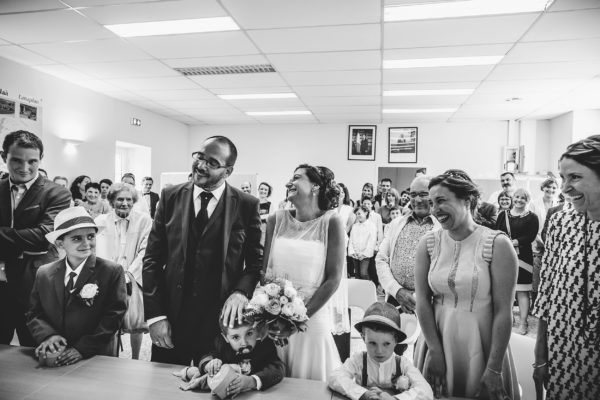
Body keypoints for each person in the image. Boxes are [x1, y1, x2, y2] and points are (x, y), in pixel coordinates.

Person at [142, 136, 262, 366]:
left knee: (213, 386)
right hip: (172, 316)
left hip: (219, 320)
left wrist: (240, 292)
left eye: (212, 162)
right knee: (163, 387)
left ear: (228, 171)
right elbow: (152, 260)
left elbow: (255, 263)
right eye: (199, 156)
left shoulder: (246, 204)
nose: (201, 165)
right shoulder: (170, 197)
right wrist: (156, 316)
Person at [414, 172, 520, 400]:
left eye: (441, 201)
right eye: (431, 203)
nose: (434, 210)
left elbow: (504, 312)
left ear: (467, 200)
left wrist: (493, 367)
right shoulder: (428, 243)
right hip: (436, 340)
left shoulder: (498, 244)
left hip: (482, 344)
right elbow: (422, 300)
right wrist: (434, 350)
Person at [532, 135, 600, 400]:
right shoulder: (561, 223)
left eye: (575, 177)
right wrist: (540, 357)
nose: (565, 188)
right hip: (563, 354)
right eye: (562, 178)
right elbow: (546, 296)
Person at [263, 164, 345, 381]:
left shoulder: (331, 221)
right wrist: (269, 316)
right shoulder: (276, 219)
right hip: (274, 319)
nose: (289, 182)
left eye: (297, 178)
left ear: (315, 186)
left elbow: (333, 279)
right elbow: (264, 272)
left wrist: (297, 319)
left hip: (311, 319)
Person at [26, 207, 127, 364]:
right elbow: (34, 312)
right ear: (60, 243)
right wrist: (48, 335)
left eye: (91, 236)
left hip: (97, 354)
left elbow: (114, 315)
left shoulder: (111, 271)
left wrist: (83, 348)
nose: (86, 243)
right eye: (77, 238)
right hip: (58, 352)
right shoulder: (44, 273)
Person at [0, 130, 71, 346]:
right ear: (4, 157)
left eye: (32, 161)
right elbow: (31, 237)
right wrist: (22, 240)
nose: (24, 167)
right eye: (16, 160)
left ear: (41, 159)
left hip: (34, 284)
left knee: (34, 350)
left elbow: (43, 236)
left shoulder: (57, 193)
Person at [329, 302, 433, 400]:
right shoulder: (358, 360)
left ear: (396, 340)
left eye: (386, 344)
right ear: (363, 337)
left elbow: (426, 391)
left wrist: (395, 399)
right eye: (372, 343)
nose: (379, 351)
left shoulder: (402, 364)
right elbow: (335, 377)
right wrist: (362, 393)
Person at [94, 183, 152, 360]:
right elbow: (96, 250)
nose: (124, 203)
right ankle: (111, 357)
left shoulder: (144, 220)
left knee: (135, 320)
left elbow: (146, 250)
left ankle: (135, 357)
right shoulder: (100, 221)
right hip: (107, 277)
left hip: (134, 277)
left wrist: (129, 275)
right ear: (111, 201)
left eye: (128, 199)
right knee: (109, 318)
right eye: (120, 199)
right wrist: (111, 275)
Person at [173, 313, 284, 394]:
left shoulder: (265, 346)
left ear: (258, 331)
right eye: (235, 337)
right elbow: (206, 356)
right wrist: (209, 364)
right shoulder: (221, 345)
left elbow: (278, 369)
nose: (244, 342)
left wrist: (251, 381)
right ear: (225, 337)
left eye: (249, 333)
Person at [376, 176, 441, 313]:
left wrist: (416, 297)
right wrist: (397, 291)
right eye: (413, 195)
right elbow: (381, 259)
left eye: (423, 194)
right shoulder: (395, 224)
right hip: (395, 298)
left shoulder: (442, 228)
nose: (417, 200)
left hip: (429, 303)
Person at [495, 188, 538, 335]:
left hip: (523, 257)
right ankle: (509, 318)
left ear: (528, 200)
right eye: (517, 197)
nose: (519, 200)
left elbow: (530, 236)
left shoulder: (532, 217)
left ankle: (524, 322)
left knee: (522, 291)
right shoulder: (503, 215)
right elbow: (496, 231)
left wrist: (513, 242)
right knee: (506, 290)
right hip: (504, 255)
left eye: (523, 198)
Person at [348, 205, 377, 280]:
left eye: (359, 213)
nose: (357, 216)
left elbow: (372, 242)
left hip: (365, 254)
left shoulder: (371, 226)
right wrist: (352, 252)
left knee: (363, 273)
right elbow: (351, 240)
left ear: (366, 213)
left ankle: (368, 288)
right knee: (357, 273)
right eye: (356, 214)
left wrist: (364, 254)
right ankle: (359, 289)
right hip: (355, 254)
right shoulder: (354, 226)